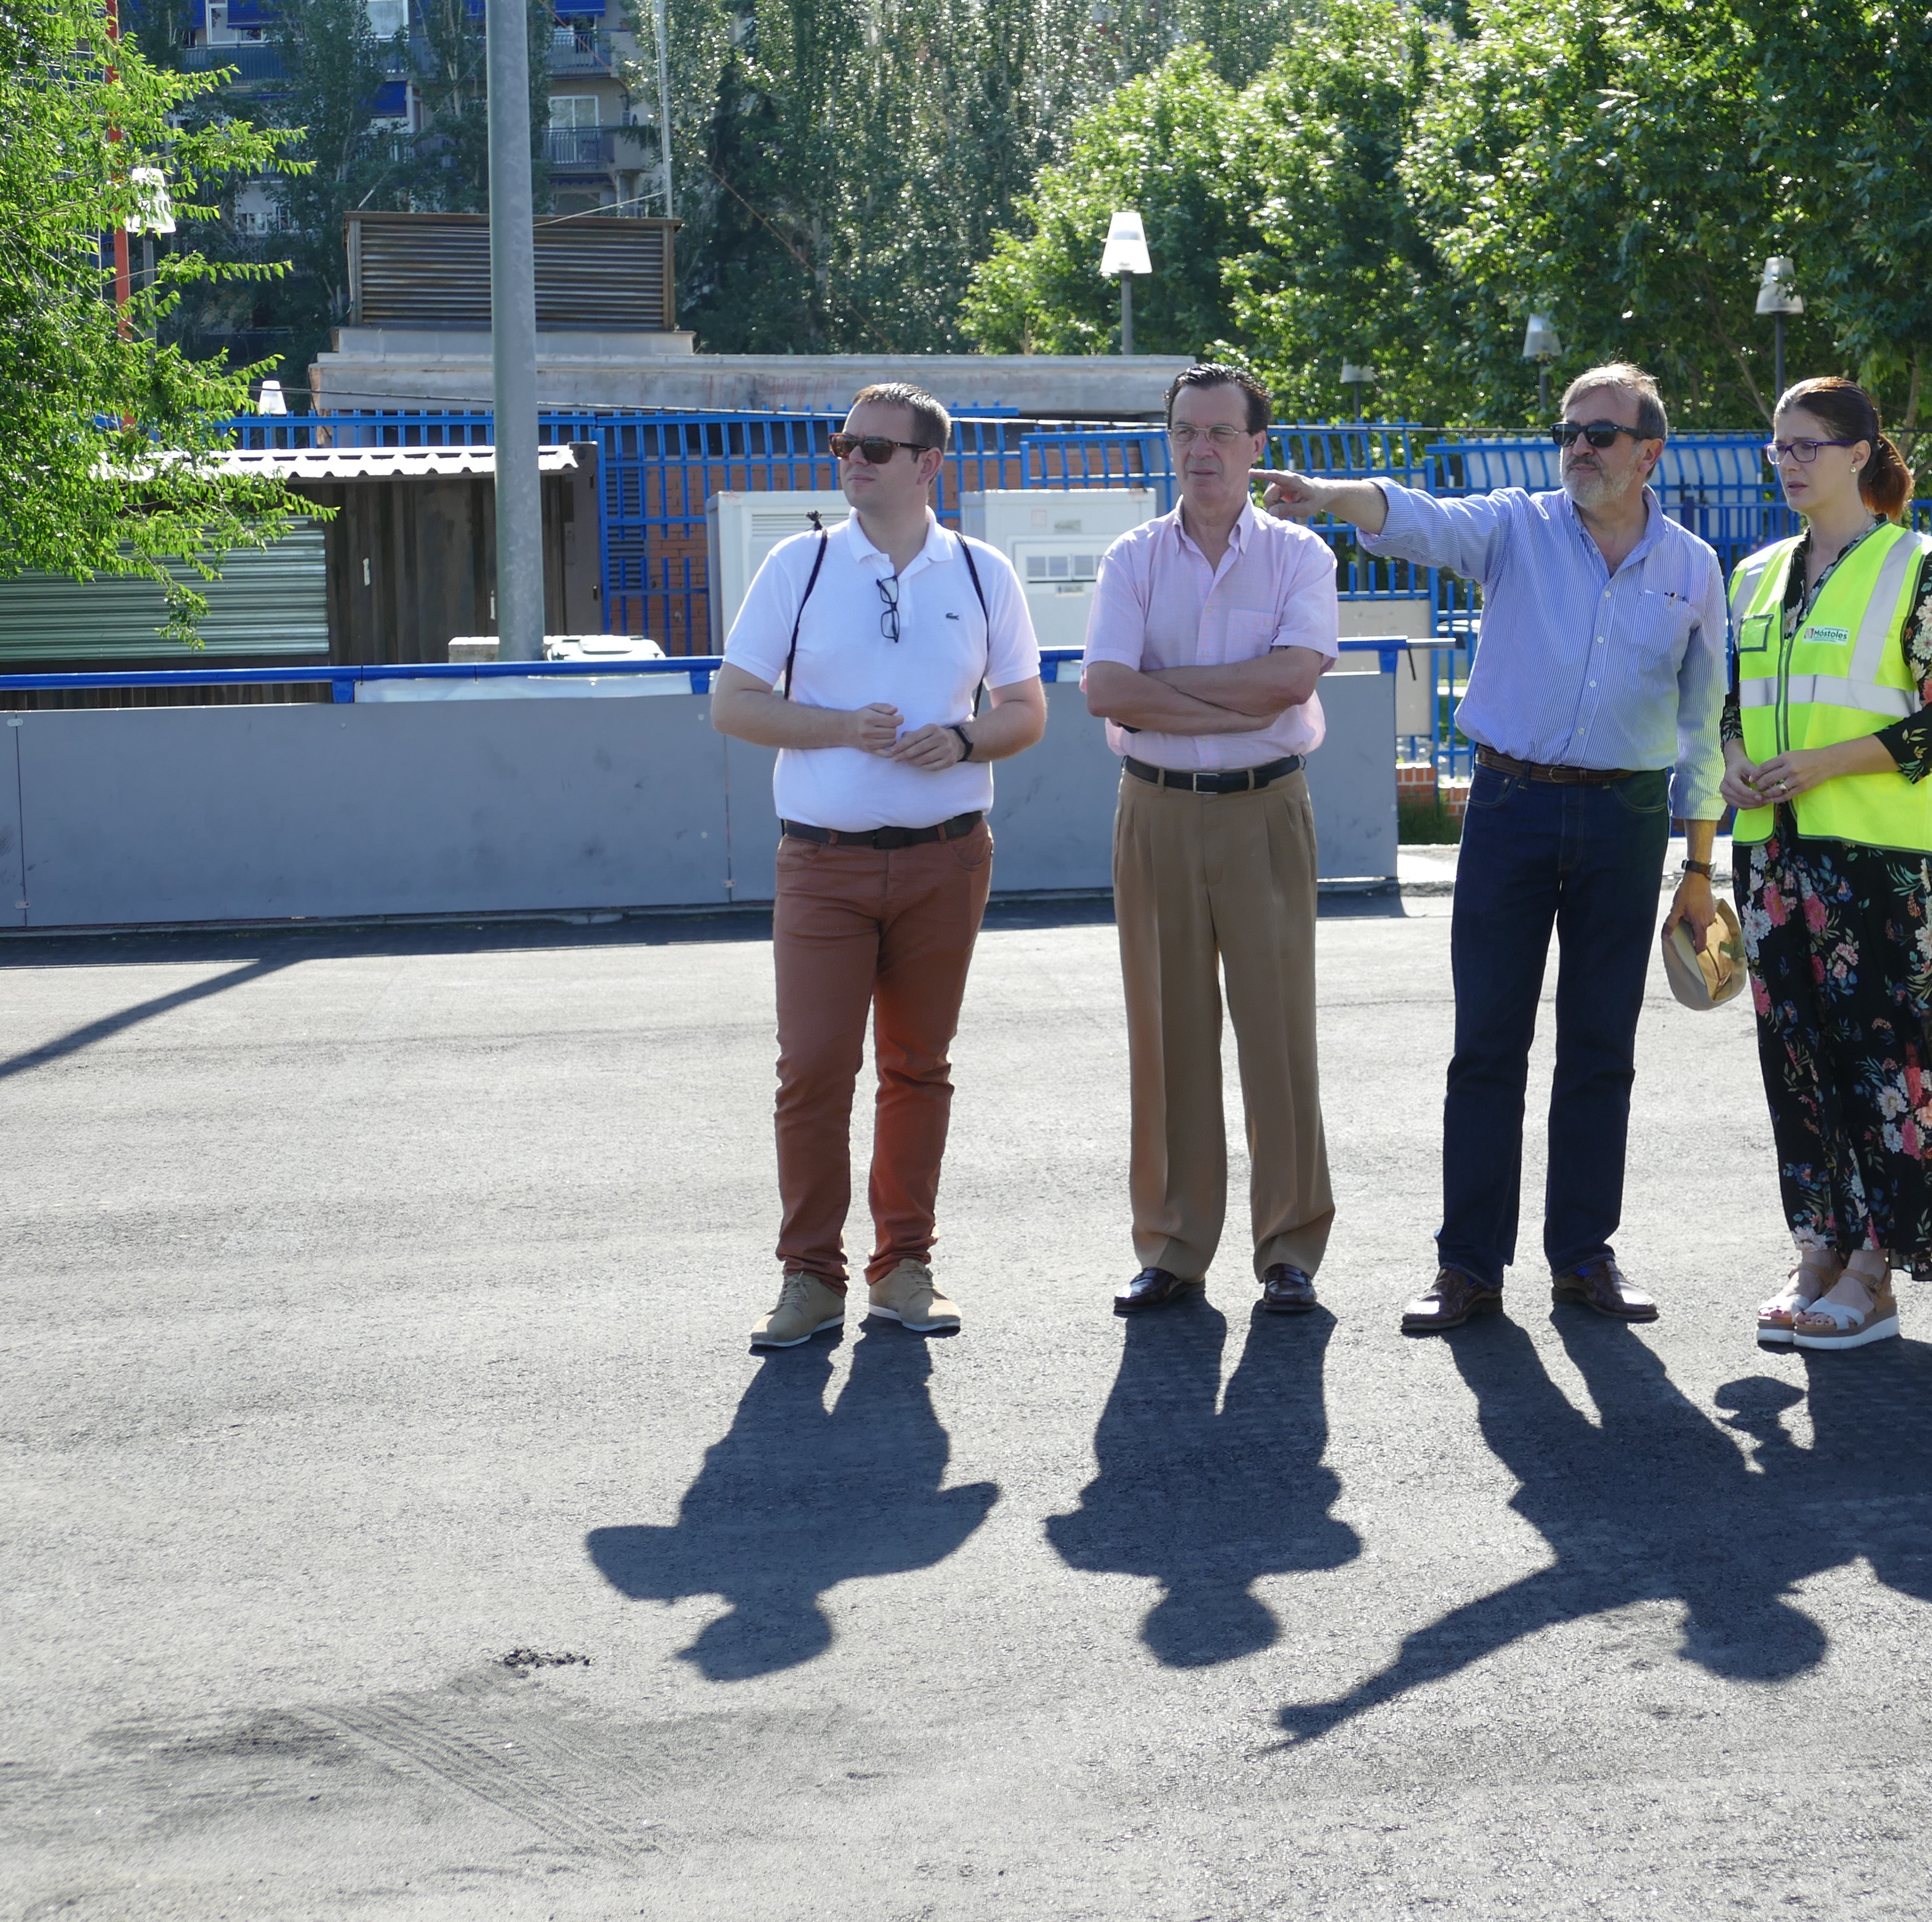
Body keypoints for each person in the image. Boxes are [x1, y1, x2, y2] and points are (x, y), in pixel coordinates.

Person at [1251, 364, 1727, 1336]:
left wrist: (1700, 865)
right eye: (1569, 431)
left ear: (1649, 453)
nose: (1580, 449)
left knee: (1602, 1047)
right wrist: (1330, 495)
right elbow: (1416, 516)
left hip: (1626, 819)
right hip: (1509, 808)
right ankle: (1467, 1266)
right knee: (1486, 1050)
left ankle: (1582, 1256)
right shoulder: (1516, 525)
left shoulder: (1692, 568)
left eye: (1602, 433)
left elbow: (1702, 724)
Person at [1724, 379, 1932, 1352]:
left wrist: (1823, 763)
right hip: (1774, 864)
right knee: (1796, 1066)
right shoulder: (1754, 574)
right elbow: (1733, 706)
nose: (1788, 462)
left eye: (1807, 446)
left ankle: (1873, 1269)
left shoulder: (1916, 561)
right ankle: (1816, 1247)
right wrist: (1740, 763)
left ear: (1861, 452)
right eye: (1777, 447)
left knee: (1884, 1068)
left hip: (1871, 862)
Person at [712, 383, 1045, 1348]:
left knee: (918, 1066)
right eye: (844, 443)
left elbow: (1026, 709)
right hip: (823, 863)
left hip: (947, 861)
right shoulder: (800, 565)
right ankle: (809, 1278)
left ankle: (904, 1266)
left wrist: (964, 740)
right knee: (813, 1069)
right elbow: (734, 703)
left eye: (874, 447)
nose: (852, 458)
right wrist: (838, 728)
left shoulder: (982, 574)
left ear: (928, 464)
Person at [1081, 364, 1342, 1320]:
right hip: (1153, 809)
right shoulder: (1132, 558)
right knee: (1166, 1031)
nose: (1201, 449)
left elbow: (1292, 679)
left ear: (1256, 445)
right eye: (1186, 430)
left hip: (1263, 808)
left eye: (1222, 432)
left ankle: (1289, 1249)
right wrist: (1234, 687)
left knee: (1277, 1034)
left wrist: (1174, 691)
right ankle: (1174, 1246)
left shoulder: (1300, 556)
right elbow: (1105, 689)